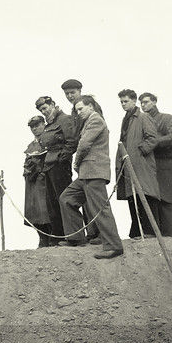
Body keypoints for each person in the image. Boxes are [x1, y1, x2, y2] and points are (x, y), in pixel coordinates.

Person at [59, 96, 124, 259]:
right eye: (77, 110)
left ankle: (114, 246)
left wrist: (76, 162)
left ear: (91, 107)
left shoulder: (95, 120)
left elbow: (84, 144)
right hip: (86, 173)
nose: (79, 112)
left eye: (81, 109)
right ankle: (75, 238)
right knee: (67, 198)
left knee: (100, 208)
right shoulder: (89, 121)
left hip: (94, 171)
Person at [115, 89, 161, 239]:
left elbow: (152, 138)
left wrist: (140, 151)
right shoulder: (125, 119)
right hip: (129, 164)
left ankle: (150, 231)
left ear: (134, 101)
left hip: (141, 164)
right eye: (121, 102)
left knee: (146, 194)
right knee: (132, 196)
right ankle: (137, 230)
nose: (123, 104)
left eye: (126, 101)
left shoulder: (143, 117)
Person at [61, 79, 103, 243]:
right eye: (67, 94)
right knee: (83, 196)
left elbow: (91, 134)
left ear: (80, 91)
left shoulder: (89, 107)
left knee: (95, 198)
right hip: (83, 157)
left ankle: (99, 234)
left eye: (73, 93)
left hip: (92, 157)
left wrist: (78, 158)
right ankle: (88, 234)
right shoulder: (75, 111)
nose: (70, 96)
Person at [35, 96, 76, 245]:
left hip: (60, 165)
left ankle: (70, 235)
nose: (44, 112)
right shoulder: (49, 124)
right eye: (41, 110)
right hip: (49, 165)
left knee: (63, 199)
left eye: (45, 108)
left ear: (52, 104)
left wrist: (62, 158)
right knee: (52, 202)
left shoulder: (64, 119)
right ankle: (58, 236)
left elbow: (72, 141)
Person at [139, 92, 172, 237]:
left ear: (154, 102)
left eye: (146, 102)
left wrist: (151, 142)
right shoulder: (140, 121)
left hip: (167, 166)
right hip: (150, 166)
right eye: (141, 103)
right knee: (152, 202)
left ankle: (170, 240)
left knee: (167, 203)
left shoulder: (167, 119)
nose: (143, 105)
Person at [23, 116, 52, 248]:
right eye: (32, 127)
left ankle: (51, 238)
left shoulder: (48, 140)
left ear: (43, 124)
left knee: (45, 209)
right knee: (33, 210)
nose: (34, 129)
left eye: (37, 125)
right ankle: (42, 239)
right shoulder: (31, 145)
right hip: (32, 181)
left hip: (44, 180)